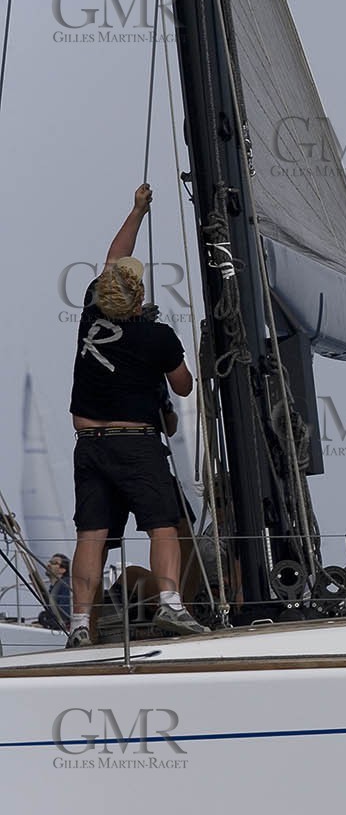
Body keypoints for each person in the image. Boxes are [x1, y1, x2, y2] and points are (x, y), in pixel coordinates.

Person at [67, 183, 207, 647]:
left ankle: (80, 624)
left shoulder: (91, 311)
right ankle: (171, 606)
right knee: (162, 526)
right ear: (140, 293)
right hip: (136, 444)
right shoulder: (157, 336)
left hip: (88, 447)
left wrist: (137, 212)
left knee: (92, 535)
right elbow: (183, 385)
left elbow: (113, 256)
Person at [36, 554, 72, 629]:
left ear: (63, 570)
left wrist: (45, 620)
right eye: (50, 562)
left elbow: (63, 616)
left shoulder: (65, 585)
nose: (48, 565)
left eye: (54, 563)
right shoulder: (55, 587)